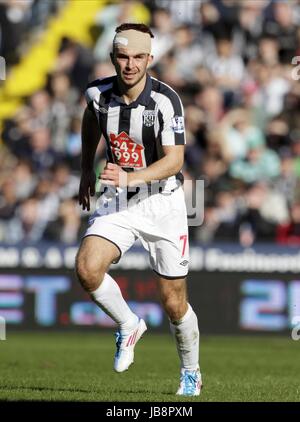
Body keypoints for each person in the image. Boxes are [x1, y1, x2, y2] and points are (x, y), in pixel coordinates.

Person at [76, 22, 201, 396]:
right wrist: (86, 168)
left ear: (150, 58)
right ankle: (129, 324)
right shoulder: (97, 94)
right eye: (123, 56)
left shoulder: (165, 100)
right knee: (87, 268)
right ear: (113, 57)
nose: (130, 65)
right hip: (120, 199)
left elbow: (175, 161)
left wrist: (131, 178)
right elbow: (90, 119)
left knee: (173, 301)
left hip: (163, 202)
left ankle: (191, 371)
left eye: (138, 57)